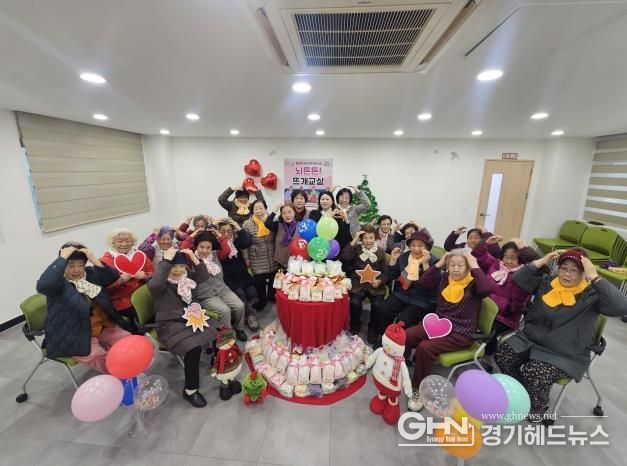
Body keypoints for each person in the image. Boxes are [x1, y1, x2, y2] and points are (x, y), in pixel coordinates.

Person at [494, 249, 627, 422]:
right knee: (503, 355)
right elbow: (519, 279)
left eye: (574, 270)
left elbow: (620, 307)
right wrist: (541, 261)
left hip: (565, 353)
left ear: (584, 273)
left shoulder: (592, 294)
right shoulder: (547, 283)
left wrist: (594, 277)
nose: (567, 274)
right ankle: (523, 391)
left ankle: (539, 404)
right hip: (530, 340)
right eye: (564, 268)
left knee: (534, 371)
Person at [405, 249, 493, 411]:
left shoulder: (473, 284)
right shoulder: (445, 278)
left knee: (425, 347)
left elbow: (487, 289)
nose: (456, 269)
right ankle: (402, 368)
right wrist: (440, 263)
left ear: (468, 267)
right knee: (408, 334)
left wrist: (474, 265)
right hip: (439, 324)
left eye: (460, 265)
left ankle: (419, 389)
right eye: (452, 264)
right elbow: (424, 282)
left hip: (460, 333)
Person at [36, 243, 132, 372]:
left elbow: (112, 277)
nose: (76, 270)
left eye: (80, 265)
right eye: (71, 266)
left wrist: (94, 259)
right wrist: (62, 257)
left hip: (100, 326)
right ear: (63, 266)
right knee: (95, 355)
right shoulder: (57, 284)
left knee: (126, 338)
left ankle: (126, 368)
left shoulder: (90, 274)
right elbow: (43, 285)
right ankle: (118, 372)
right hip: (74, 333)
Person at [149, 247, 221, 407]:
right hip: (170, 324)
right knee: (193, 348)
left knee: (220, 331)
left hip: (191, 316)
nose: (178, 270)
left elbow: (203, 276)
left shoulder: (186, 278)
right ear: (166, 267)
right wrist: (166, 261)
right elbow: (154, 285)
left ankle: (218, 363)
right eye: (173, 267)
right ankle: (190, 390)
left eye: (181, 266)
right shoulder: (160, 283)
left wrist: (193, 257)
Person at [471, 236, 532, 371]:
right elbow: (478, 255)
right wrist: (486, 243)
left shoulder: (523, 275)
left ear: (520, 259)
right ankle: (470, 348)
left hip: (505, 316)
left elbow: (517, 304)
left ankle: (487, 356)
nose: (509, 261)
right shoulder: (495, 265)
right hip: (485, 309)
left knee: (491, 329)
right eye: (506, 257)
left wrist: (502, 309)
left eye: (513, 258)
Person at [179, 231, 248, 341]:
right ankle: (227, 338)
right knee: (225, 311)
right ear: (196, 246)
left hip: (222, 290)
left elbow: (227, 250)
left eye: (208, 247)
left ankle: (239, 329)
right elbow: (183, 248)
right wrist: (194, 234)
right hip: (205, 295)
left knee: (240, 305)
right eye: (201, 247)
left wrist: (218, 234)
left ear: (212, 248)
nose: (205, 250)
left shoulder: (215, 255)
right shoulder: (191, 258)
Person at [375, 231, 438, 343]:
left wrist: (426, 265)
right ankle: (383, 336)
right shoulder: (404, 257)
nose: (416, 249)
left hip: (421, 300)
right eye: (413, 245)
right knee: (384, 308)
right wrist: (393, 260)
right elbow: (391, 277)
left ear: (427, 248)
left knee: (403, 320)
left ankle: (395, 342)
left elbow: (431, 286)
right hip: (402, 294)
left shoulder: (434, 261)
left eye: (420, 246)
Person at [99, 228, 154, 332]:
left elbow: (153, 274)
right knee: (140, 314)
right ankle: (140, 333)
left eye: (128, 241)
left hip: (145, 293)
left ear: (133, 242)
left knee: (163, 304)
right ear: (112, 243)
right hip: (122, 301)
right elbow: (102, 290)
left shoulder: (140, 256)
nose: (124, 244)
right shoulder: (104, 262)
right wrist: (119, 282)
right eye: (120, 241)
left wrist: (145, 276)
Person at [341, 226, 388, 335]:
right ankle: (355, 325)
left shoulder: (381, 252)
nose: (368, 241)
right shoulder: (357, 249)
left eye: (371, 238)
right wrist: (355, 239)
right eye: (365, 238)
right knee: (355, 302)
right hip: (358, 283)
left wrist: (379, 281)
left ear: (375, 238)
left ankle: (372, 328)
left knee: (377, 305)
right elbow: (345, 256)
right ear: (362, 239)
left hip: (375, 285)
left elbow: (385, 272)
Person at [216, 219, 260, 331]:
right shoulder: (217, 244)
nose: (226, 234)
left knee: (252, 293)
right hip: (229, 278)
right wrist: (214, 222)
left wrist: (237, 226)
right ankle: (250, 316)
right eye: (223, 231)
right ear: (219, 232)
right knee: (241, 294)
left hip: (242, 275)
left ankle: (245, 310)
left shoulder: (236, 241)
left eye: (229, 231)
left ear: (233, 231)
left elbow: (247, 242)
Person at [242, 200, 278, 311]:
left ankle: (271, 296)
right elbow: (244, 244)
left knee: (273, 280)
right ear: (252, 211)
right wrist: (246, 258)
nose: (259, 211)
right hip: (257, 258)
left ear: (265, 209)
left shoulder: (272, 220)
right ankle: (262, 301)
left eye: (261, 208)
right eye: (256, 209)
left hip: (272, 256)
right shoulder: (247, 224)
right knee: (259, 283)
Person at [265, 203, 300, 268]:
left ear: (294, 213)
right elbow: (267, 224)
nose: (287, 215)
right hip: (280, 262)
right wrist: (274, 211)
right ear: (281, 215)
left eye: (290, 212)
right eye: (284, 213)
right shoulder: (278, 225)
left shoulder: (301, 225)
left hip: (297, 263)